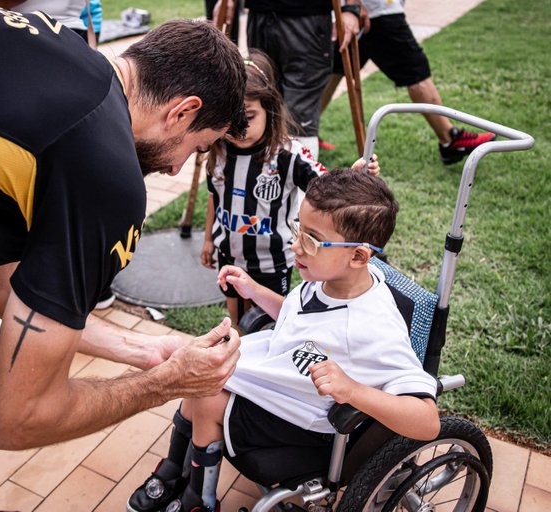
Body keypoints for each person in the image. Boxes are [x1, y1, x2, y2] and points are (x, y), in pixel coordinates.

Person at [0, 0, 248, 511]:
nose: (175, 168)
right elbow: (17, 419)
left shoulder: (65, 55)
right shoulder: (104, 171)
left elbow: (2, 295)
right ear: (183, 112)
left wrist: (147, 351)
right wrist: (165, 383)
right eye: (196, 148)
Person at [128, 169, 441, 512]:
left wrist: (352, 390)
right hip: (283, 388)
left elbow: (427, 421)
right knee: (203, 371)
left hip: (305, 425)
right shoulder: (329, 279)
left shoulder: (372, 326)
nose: (295, 246)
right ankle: (174, 471)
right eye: (298, 230)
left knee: (207, 394)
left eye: (311, 240)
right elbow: (299, 319)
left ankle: (197, 500)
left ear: (358, 257)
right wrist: (254, 290)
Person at [201, 49, 379, 328]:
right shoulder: (218, 150)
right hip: (229, 253)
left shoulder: (288, 154)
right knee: (235, 316)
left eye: (249, 116)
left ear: (269, 109)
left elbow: (327, 187)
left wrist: (354, 174)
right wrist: (208, 240)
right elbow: (215, 197)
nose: (239, 127)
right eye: (231, 118)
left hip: (272, 261)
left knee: (270, 322)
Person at [320, 0, 496, 165]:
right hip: (374, 5)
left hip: (367, 4)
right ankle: (449, 137)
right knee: (416, 71)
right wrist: (352, 4)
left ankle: (303, 130)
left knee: (334, 70)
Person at [215, 0, 366, 155]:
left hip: (309, 15)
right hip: (260, 11)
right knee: (262, 109)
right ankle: (262, 173)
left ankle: (299, 171)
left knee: (298, 120)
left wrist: (351, 6)